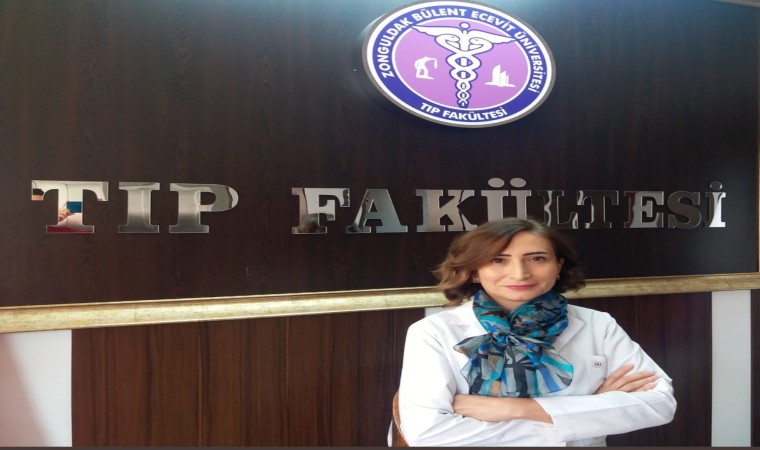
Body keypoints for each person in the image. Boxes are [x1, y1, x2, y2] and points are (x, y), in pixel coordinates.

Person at [393, 218, 676, 446]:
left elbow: (659, 404)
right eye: (498, 260)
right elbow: (427, 433)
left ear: (558, 266)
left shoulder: (597, 324)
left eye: (537, 258)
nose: (519, 273)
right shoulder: (433, 332)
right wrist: (587, 412)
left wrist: (519, 409)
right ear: (475, 271)